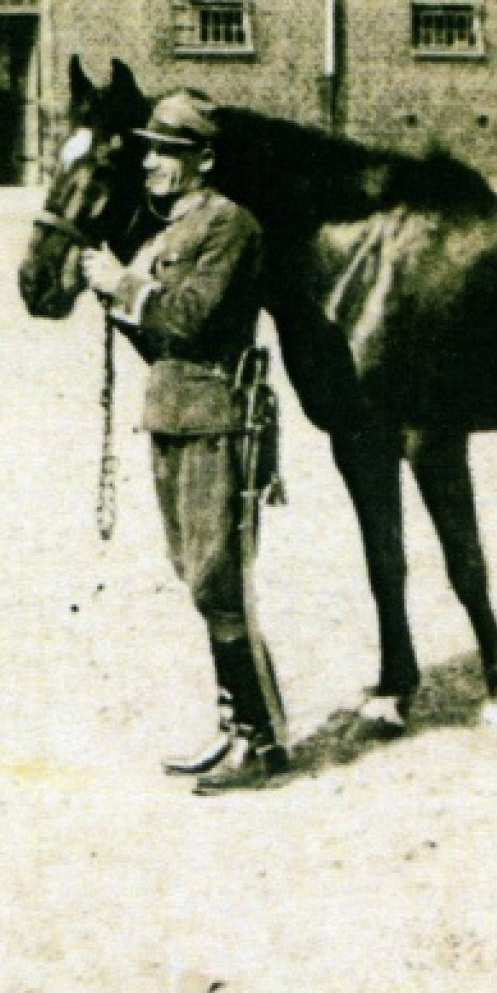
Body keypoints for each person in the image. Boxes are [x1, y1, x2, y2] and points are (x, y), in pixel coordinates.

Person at [79, 90, 289, 793]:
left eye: (167, 153)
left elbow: (192, 319)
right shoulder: (170, 231)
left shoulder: (229, 225)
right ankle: (239, 726)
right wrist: (113, 296)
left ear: (204, 159)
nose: (150, 165)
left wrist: (125, 286)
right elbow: (159, 338)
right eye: (148, 152)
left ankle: (258, 740)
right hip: (174, 416)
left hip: (216, 421)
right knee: (199, 576)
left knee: (218, 579)